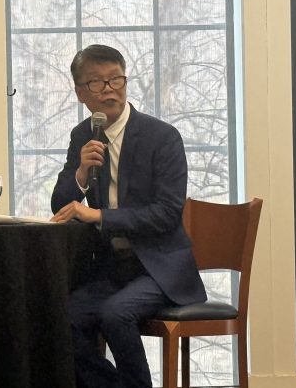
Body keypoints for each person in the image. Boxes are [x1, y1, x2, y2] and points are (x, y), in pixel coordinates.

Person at [50, 44, 206, 388]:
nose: (109, 90)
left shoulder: (162, 137)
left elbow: (166, 214)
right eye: (97, 82)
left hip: (161, 268)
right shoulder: (83, 135)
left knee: (115, 313)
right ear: (80, 93)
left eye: (116, 79)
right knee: (61, 318)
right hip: (112, 269)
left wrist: (99, 216)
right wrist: (80, 173)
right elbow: (61, 205)